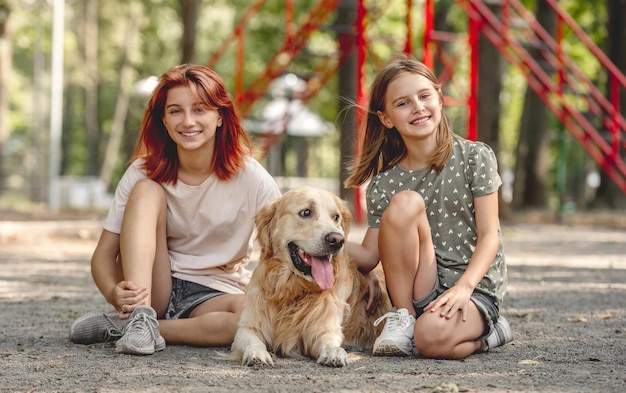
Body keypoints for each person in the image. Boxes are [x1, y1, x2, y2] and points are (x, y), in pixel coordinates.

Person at [69, 64, 281, 355]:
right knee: (147, 189)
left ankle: (131, 327)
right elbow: (104, 255)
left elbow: (291, 238)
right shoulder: (142, 171)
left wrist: (359, 265)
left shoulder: (252, 177)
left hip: (216, 291)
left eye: (199, 109)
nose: (188, 121)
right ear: (164, 121)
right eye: (175, 111)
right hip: (153, 286)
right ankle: (141, 315)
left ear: (219, 116)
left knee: (251, 319)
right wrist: (113, 292)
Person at [345, 53, 512, 359]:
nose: (418, 107)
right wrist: (319, 240)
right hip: (421, 287)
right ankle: (404, 317)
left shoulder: (475, 157)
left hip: (473, 289)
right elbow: (370, 255)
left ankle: (493, 332)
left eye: (424, 96)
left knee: (431, 340)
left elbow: (490, 236)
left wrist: (464, 287)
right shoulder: (384, 183)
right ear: (386, 118)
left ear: (439, 97)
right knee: (406, 201)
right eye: (403, 103)